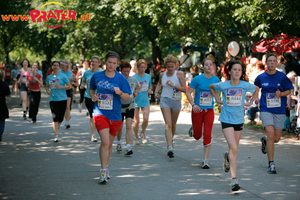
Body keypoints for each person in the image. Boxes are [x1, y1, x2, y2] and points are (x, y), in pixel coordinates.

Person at [209, 60, 259, 191]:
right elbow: (211, 87)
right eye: (234, 69)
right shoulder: (224, 85)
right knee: (234, 148)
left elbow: (257, 88)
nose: (237, 72)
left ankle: (227, 156)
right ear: (230, 71)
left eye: (239, 70)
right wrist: (218, 100)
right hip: (226, 119)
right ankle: (234, 180)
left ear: (241, 72)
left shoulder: (244, 85)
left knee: (233, 149)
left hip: (239, 120)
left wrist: (252, 101)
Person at [89, 51, 131, 184]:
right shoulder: (97, 76)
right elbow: (91, 89)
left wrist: (120, 92)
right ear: (104, 62)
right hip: (100, 113)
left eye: (114, 63)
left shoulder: (120, 78)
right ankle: (102, 170)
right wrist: (93, 96)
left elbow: (128, 97)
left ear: (117, 64)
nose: (111, 65)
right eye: (109, 62)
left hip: (116, 115)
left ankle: (106, 167)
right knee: (105, 142)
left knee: (110, 144)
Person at [255, 53, 293, 174]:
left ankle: (266, 141)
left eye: (273, 61)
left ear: (276, 63)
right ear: (266, 63)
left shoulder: (282, 77)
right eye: (269, 61)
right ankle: (271, 163)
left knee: (276, 139)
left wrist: (281, 94)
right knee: (271, 134)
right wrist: (255, 98)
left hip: (279, 110)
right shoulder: (261, 77)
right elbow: (256, 89)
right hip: (266, 109)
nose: (271, 63)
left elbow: (289, 90)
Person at [186, 58, 220, 168]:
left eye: (211, 65)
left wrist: (219, 103)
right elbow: (188, 92)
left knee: (207, 134)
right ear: (203, 67)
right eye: (207, 65)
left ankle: (205, 160)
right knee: (197, 136)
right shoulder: (197, 79)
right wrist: (193, 104)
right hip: (197, 110)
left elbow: (217, 93)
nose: (209, 66)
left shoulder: (216, 80)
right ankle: (194, 129)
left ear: (213, 67)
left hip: (209, 110)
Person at [154, 55, 186, 158]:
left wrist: (173, 85)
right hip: (165, 100)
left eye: (172, 67)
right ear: (166, 66)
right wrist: (156, 92)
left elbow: (184, 89)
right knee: (168, 124)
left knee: (173, 124)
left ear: (176, 65)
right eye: (168, 67)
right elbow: (159, 84)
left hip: (176, 100)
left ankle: (170, 139)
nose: (170, 69)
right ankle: (169, 147)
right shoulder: (162, 75)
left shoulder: (180, 74)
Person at [116, 62, 140, 155]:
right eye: (124, 71)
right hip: (119, 107)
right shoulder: (117, 80)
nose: (126, 73)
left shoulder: (133, 79)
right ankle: (119, 143)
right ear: (121, 71)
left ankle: (128, 147)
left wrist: (136, 93)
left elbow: (137, 87)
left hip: (130, 105)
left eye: (128, 71)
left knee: (129, 126)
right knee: (120, 127)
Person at [45, 61, 70, 142]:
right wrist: (48, 91)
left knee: (61, 117)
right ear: (52, 67)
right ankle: (56, 135)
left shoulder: (63, 76)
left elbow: (69, 86)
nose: (56, 67)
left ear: (59, 67)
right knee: (54, 118)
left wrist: (61, 87)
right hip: (53, 100)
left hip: (62, 99)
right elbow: (47, 86)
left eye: (57, 65)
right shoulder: (49, 77)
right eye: (54, 65)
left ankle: (59, 122)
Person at [81, 56, 101, 142]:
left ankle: (100, 131)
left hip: (100, 97)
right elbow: (83, 81)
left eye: (96, 62)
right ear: (90, 63)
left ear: (98, 63)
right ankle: (93, 135)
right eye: (92, 61)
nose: (94, 63)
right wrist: (83, 85)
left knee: (99, 116)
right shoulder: (86, 73)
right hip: (89, 96)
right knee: (92, 115)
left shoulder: (101, 73)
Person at [133, 59, 152, 144]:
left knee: (146, 119)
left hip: (145, 101)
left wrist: (149, 90)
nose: (143, 69)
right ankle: (136, 136)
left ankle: (143, 133)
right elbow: (130, 90)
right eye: (141, 67)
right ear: (137, 67)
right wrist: (137, 90)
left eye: (144, 67)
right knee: (137, 121)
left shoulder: (148, 76)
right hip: (135, 101)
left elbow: (150, 86)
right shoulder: (134, 77)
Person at [60, 59, 78, 129]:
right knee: (64, 107)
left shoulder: (70, 73)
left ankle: (67, 122)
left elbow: (74, 81)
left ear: (66, 66)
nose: (62, 67)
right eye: (61, 65)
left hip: (68, 90)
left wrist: (74, 80)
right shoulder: (59, 72)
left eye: (63, 65)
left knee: (67, 106)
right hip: (61, 90)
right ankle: (67, 118)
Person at [0, 69, 11, 142]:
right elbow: (9, 94)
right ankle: (0, 134)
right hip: (2, 103)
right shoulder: (4, 84)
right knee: (2, 119)